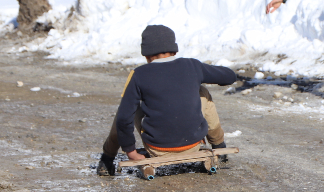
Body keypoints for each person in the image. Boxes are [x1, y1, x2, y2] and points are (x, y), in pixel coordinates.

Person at [97, 25, 236, 176]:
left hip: (157, 149)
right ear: (174, 50)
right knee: (202, 92)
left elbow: (124, 119)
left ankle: (106, 159)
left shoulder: (138, 75)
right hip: (193, 145)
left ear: (146, 54)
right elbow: (229, 76)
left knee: (126, 107)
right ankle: (220, 148)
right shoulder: (192, 66)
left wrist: (131, 152)